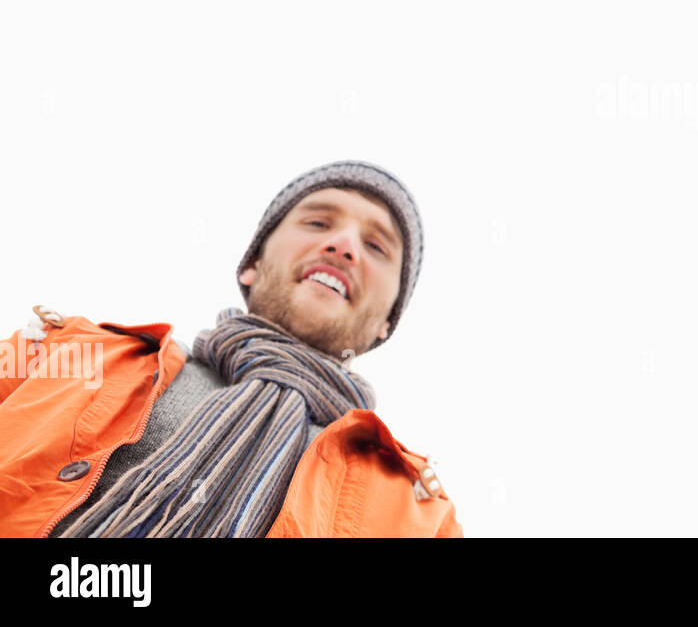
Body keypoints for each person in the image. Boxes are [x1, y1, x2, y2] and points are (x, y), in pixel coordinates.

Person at [0, 160, 462, 536]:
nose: (343, 245)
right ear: (253, 265)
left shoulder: (421, 516)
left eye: (377, 246)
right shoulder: (64, 354)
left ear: (387, 321)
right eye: (319, 221)